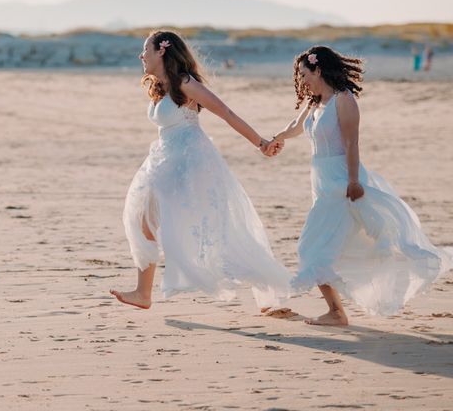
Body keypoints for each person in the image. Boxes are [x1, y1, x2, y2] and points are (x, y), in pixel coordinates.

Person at [271, 45, 453, 325]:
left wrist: (354, 181)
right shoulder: (315, 102)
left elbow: (351, 144)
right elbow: (296, 126)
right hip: (321, 184)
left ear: (318, 69)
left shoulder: (343, 100)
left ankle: (336, 313)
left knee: (311, 246)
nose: (302, 80)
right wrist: (275, 139)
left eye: (304, 73)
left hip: (341, 181)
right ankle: (336, 312)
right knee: (326, 246)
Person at [110, 30, 290, 311]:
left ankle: (265, 284)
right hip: (164, 158)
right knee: (143, 220)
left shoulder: (185, 83)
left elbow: (226, 113)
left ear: (162, 51)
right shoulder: (160, 85)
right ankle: (143, 293)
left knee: (213, 229)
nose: (141, 55)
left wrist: (261, 143)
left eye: (146, 49)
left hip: (189, 160)